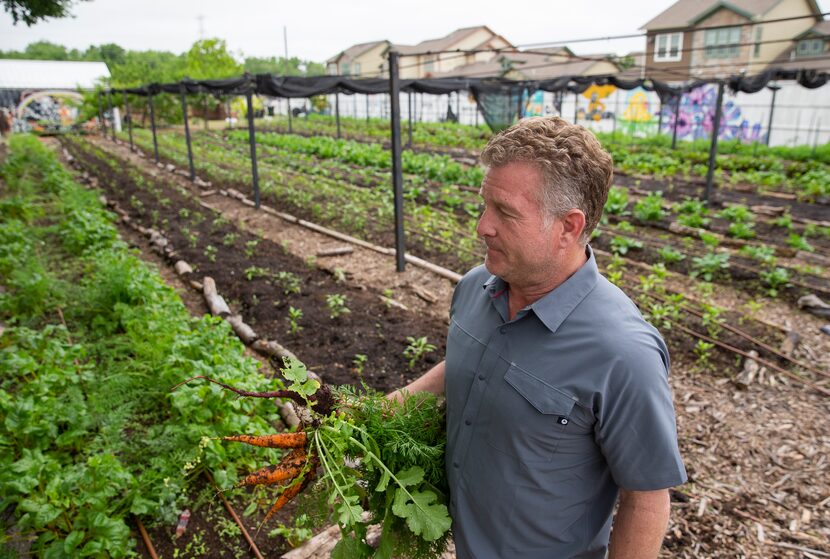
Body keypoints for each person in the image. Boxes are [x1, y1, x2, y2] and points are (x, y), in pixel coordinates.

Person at [390, 116, 686, 558]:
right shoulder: (475, 288)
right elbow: (472, 364)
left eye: (505, 212)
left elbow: (646, 498)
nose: (482, 226)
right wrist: (383, 409)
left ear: (568, 226)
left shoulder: (623, 354)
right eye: (485, 204)